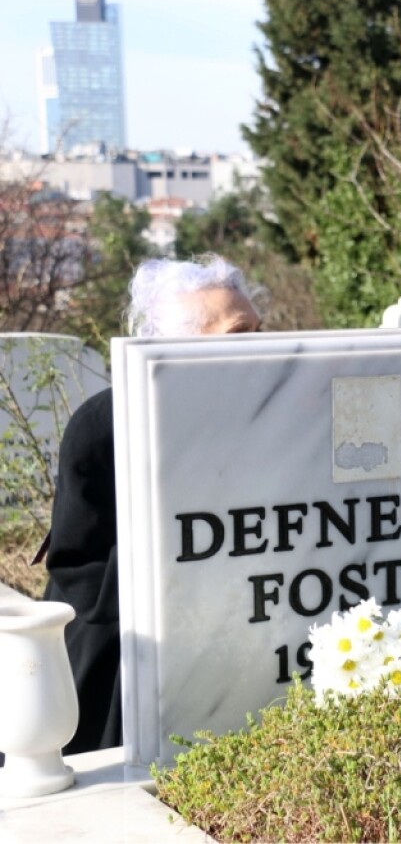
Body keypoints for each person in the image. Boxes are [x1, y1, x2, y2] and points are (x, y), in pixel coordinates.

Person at [41, 255, 264, 755]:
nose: (260, 345)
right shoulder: (103, 424)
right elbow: (79, 567)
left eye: (259, 329)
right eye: (239, 333)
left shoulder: (271, 415)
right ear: (178, 345)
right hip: (124, 653)